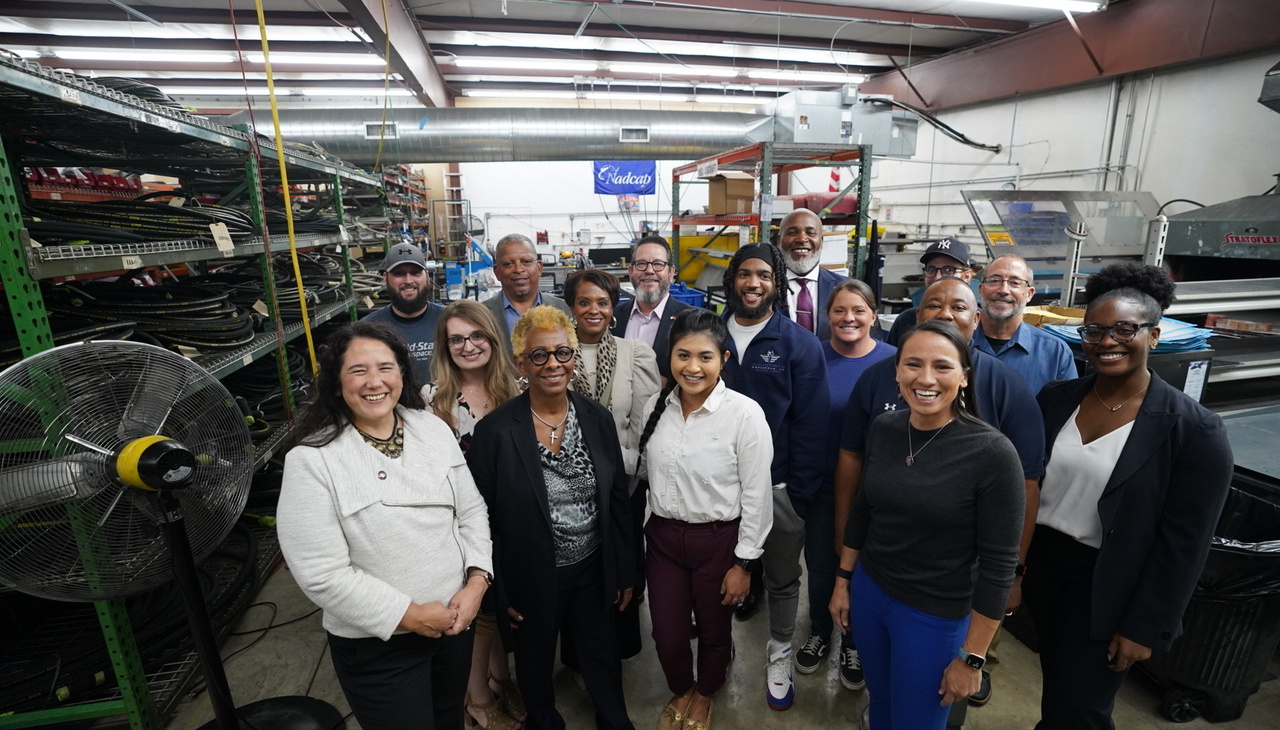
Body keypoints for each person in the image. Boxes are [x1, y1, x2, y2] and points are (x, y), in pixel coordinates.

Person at [1025, 263, 1233, 730]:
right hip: (1044, 568)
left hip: (1109, 582)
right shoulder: (1056, 399)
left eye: (1124, 329)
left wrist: (1145, 626)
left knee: (1082, 708)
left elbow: (1186, 543)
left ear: (1154, 336)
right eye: (1094, 331)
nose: (1107, 341)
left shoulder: (1193, 430)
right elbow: (1030, 487)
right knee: (1059, 690)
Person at [834, 277, 1046, 710]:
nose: (925, 378)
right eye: (913, 364)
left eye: (943, 367)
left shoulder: (992, 453)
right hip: (872, 594)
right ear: (896, 372)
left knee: (919, 718)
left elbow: (998, 566)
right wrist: (843, 582)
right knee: (882, 706)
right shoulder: (886, 429)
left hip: (934, 613)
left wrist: (972, 657)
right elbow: (864, 511)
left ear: (964, 376)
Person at [277, 321, 493, 730]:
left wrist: (477, 584)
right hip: (379, 645)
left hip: (454, 623)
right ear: (337, 384)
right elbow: (321, 574)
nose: (374, 382)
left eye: (385, 368)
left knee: (449, 720)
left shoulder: (431, 429)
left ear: (402, 375)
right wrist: (409, 615)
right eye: (358, 371)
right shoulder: (313, 460)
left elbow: (472, 511)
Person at [467, 306, 635, 730]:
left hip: (592, 567)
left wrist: (624, 570)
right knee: (535, 664)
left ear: (574, 357)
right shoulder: (496, 432)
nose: (553, 364)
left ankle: (614, 720)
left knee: (600, 653)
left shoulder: (596, 419)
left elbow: (617, 500)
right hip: (531, 575)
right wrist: (498, 591)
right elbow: (482, 519)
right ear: (521, 362)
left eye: (563, 352)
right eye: (539, 355)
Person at [636, 308, 774, 730]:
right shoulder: (654, 407)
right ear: (669, 356)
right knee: (668, 633)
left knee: (714, 630)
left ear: (724, 360)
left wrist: (744, 563)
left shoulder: (744, 414)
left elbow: (757, 494)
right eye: (682, 355)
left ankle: (706, 692)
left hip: (719, 540)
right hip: (662, 538)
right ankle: (681, 687)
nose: (692, 367)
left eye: (705, 357)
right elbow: (641, 467)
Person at [719, 243, 829, 711]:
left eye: (764, 275)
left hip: (778, 489)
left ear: (776, 284)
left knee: (783, 580)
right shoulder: (710, 335)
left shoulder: (798, 344)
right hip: (718, 489)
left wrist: (796, 493)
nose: (753, 283)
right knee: (718, 575)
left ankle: (779, 650)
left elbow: (811, 424)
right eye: (745, 274)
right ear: (732, 281)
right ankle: (717, 650)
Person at [423, 301, 524, 729]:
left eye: (477, 335)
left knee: (499, 607)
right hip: (464, 522)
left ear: (492, 337)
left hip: (512, 517)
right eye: (457, 339)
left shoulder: (516, 388)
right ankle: (478, 698)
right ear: (445, 348)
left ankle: (500, 677)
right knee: (478, 612)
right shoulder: (434, 400)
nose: (468, 346)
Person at [795, 280, 895, 689]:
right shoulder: (811, 357)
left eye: (858, 310)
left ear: (874, 315)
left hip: (879, 492)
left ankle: (855, 639)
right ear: (827, 316)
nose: (848, 318)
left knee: (864, 570)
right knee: (821, 565)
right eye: (839, 310)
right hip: (821, 484)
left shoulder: (894, 361)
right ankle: (821, 630)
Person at [563, 267, 660, 663]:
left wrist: (631, 474)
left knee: (622, 564)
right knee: (579, 570)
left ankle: (618, 647)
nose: (593, 310)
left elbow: (644, 422)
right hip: (568, 486)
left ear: (612, 308)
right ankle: (579, 652)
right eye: (584, 302)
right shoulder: (556, 352)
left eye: (602, 302)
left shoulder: (633, 354)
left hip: (624, 482)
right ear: (571, 307)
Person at [974, 255, 1076, 393]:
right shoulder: (957, 342)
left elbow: (1066, 411)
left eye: (1015, 283)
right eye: (994, 280)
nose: (1003, 290)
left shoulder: (1056, 353)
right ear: (980, 290)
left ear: (1029, 294)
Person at [612, 235, 696, 381]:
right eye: (641, 264)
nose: (649, 270)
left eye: (658, 264)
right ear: (631, 272)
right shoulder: (612, 318)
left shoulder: (691, 321)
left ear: (670, 272)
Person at [362, 242, 445, 384]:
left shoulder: (450, 320)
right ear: (385, 278)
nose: (408, 280)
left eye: (415, 273)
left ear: (428, 276)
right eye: (399, 273)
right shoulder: (366, 330)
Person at [484, 233, 573, 363]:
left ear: (539, 268)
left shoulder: (564, 309)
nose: (519, 269)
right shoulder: (482, 314)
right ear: (497, 272)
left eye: (526, 261)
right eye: (508, 264)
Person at [886, 237, 975, 346]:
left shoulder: (984, 324)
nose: (937, 277)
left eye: (948, 270)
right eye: (931, 269)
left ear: (967, 275)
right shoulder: (906, 320)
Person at [776, 208, 849, 340]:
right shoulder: (762, 289)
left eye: (810, 233)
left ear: (821, 241)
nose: (802, 239)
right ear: (779, 241)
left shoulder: (847, 288)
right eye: (792, 233)